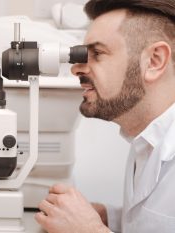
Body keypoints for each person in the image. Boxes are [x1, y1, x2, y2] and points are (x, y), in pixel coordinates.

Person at [35, 0, 175, 232]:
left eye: (97, 53)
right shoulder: (146, 141)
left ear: (154, 61)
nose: (76, 68)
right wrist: (110, 217)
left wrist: (90, 230)